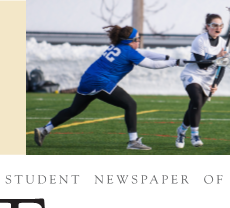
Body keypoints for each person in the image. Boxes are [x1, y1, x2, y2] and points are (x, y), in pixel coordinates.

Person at [33, 25, 175, 153]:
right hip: (100, 81)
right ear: (130, 40)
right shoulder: (128, 51)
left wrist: (166, 57)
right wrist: (175, 62)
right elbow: (153, 65)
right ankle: (133, 141)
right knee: (130, 104)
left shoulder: (121, 46)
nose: (139, 41)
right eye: (138, 38)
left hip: (88, 79)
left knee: (73, 110)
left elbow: (144, 53)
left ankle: (44, 130)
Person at [175, 13, 228, 149]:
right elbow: (201, 64)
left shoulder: (223, 43)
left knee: (195, 106)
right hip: (192, 74)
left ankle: (181, 131)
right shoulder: (200, 40)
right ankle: (195, 135)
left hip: (208, 79)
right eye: (214, 25)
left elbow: (222, 66)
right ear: (207, 26)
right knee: (196, 100)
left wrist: (216, 83)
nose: (218, 28)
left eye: (220, 25)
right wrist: (217, 56)